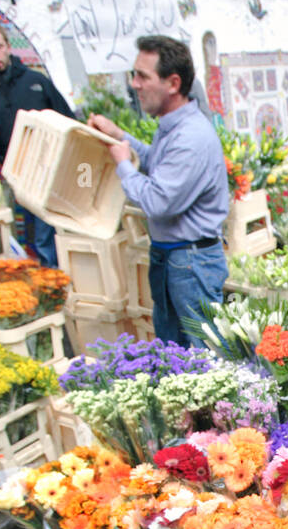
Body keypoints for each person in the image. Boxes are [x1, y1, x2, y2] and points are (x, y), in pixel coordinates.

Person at [88, 36, 228, 348]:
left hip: (191, 265)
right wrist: (119, 136)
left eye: (142, 76)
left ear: (173, 83)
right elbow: (156, 163)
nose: (135, 84)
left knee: (205, 360)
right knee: (174, 356)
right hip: (174, 259)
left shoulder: (191, 136)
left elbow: (156, 201)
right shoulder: (173, 126)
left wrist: (123, 165)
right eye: (133, 75)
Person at [0, 18, 74, 266]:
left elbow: (68, 120)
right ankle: (44, 280)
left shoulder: (36, 81)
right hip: (16, 172)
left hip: (50, 169)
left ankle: (56, 277)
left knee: (49, 232)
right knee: (22, 234)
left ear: (8, 45)